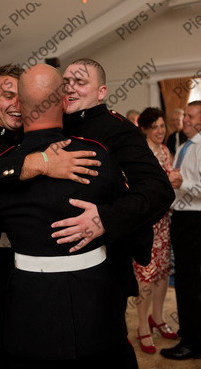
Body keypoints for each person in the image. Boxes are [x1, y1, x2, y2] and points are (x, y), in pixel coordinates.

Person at [0, 63, 139, 368]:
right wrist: (37, 163)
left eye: (16, 96)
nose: (12, 104)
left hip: (50, 293)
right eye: (4, 95)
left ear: (26, 104)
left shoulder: (84, 150)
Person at [51, 59, 174, 299]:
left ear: (101, 92)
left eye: (80, 82)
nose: (70, 88)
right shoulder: (53, 125)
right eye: (66, 82)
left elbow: (159, 190)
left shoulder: (119, 129)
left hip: (104, 259)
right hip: (55, 259)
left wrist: (105, 219)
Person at [132, 107, 178, 354]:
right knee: (146, 276)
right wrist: (167, 181)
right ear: (145, 130)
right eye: (155, 127)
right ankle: (142, 326)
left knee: (161, 273)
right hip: (147, 222)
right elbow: (140, 186)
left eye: (162, 126)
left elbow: (171, 177)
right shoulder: (141, 152)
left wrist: (176, 179)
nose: (160, 131)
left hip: (165, 221)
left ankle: (158, 318)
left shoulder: (164, 150)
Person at [160, 101, 201, 361]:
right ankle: (191, 333)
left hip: (195, 221)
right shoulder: (186, 145)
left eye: (189, 115)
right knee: (187, 282)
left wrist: (181, 181)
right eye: (184, 114)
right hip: (184, 218)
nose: (183, 119)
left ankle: (193, 343)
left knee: (190, 284)